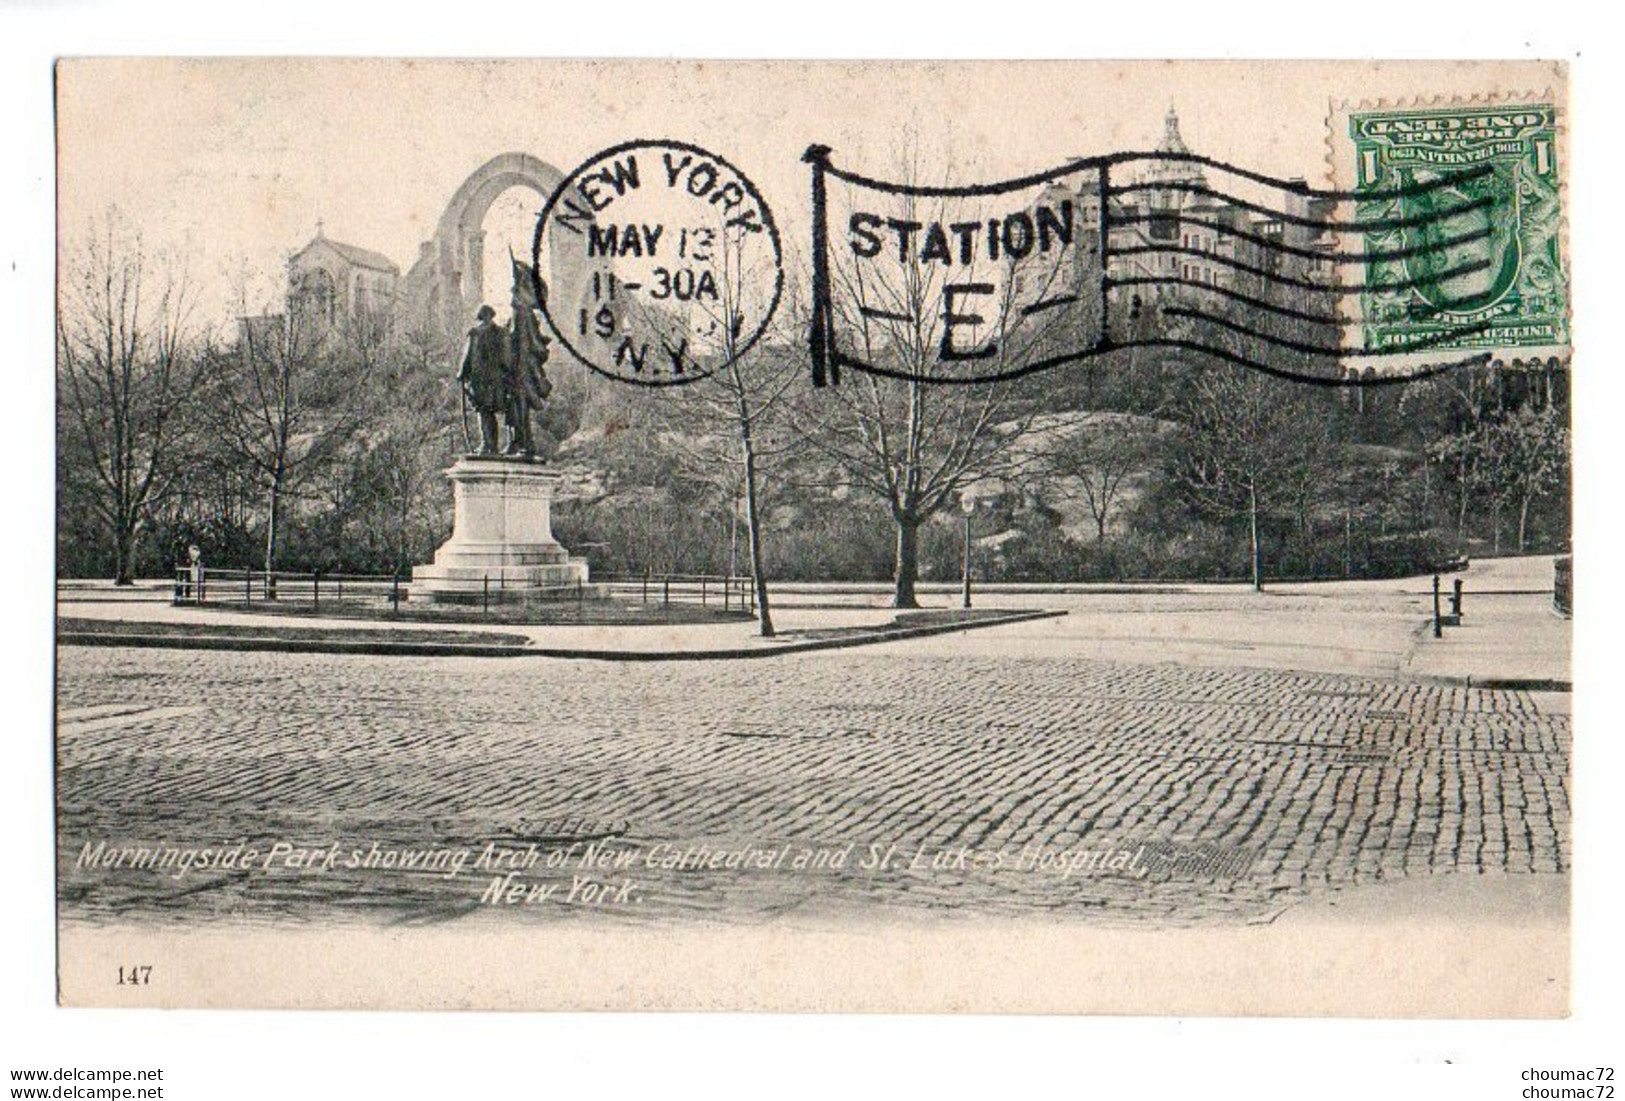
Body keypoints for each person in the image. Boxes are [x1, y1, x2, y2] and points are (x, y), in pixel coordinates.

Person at [457, 304, 507, 454]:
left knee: (483, 411)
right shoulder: (500, 333)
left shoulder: (475, 333)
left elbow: (468, 356)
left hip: (479, 379)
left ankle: (486, 444)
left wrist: (461, 373)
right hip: (496, 380)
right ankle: (493, 446)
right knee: (490, 411)